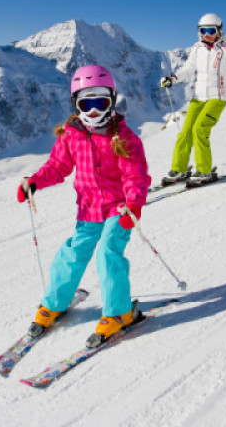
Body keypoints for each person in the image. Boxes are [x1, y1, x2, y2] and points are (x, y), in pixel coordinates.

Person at [17, 64, 153, 348]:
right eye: (85, 104)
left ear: (112, 101)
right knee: (72, 253)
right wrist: (35, 182)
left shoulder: (125, 137)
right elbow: (58, 166)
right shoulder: (71, 134)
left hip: (120, 209)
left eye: (100, 103)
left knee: (108, 253)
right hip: (89, 209)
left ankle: (120, 313)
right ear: (75, 104)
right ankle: (53, 304)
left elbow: (135, 174)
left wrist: (134, 204)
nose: (93, 111)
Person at [158, 13, 226, 188]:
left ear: (219, 31)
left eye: (211, 31)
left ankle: (204, 170)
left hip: (217, 97)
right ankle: (180, 169)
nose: (207, 35)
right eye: (203, 30)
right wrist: (173, 78)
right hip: (198, 97)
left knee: (200, 129)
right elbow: (188, 69)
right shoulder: (197, 48)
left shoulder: (225, 49)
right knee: (185, 132)